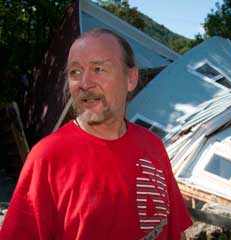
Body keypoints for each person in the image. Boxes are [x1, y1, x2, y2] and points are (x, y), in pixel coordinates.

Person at [0, 28, 192, 239]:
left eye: (98, 69)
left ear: (131, 78)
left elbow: (175, 230)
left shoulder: (153, 146)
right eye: (75, 72)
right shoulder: (47, 157)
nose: (84, 83)